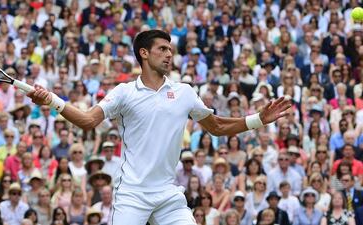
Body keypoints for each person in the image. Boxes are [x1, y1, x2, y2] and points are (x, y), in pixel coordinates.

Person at [27, 29, 290, 224]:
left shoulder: (184, 92)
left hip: (167, 193)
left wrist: (259, 119)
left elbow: (217, 126)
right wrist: (51, 99)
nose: (169, 54)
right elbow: (87, 120)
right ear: (144, 53)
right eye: (162, 49)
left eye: (170, 50)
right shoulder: (124, 92)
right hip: (132, 194)